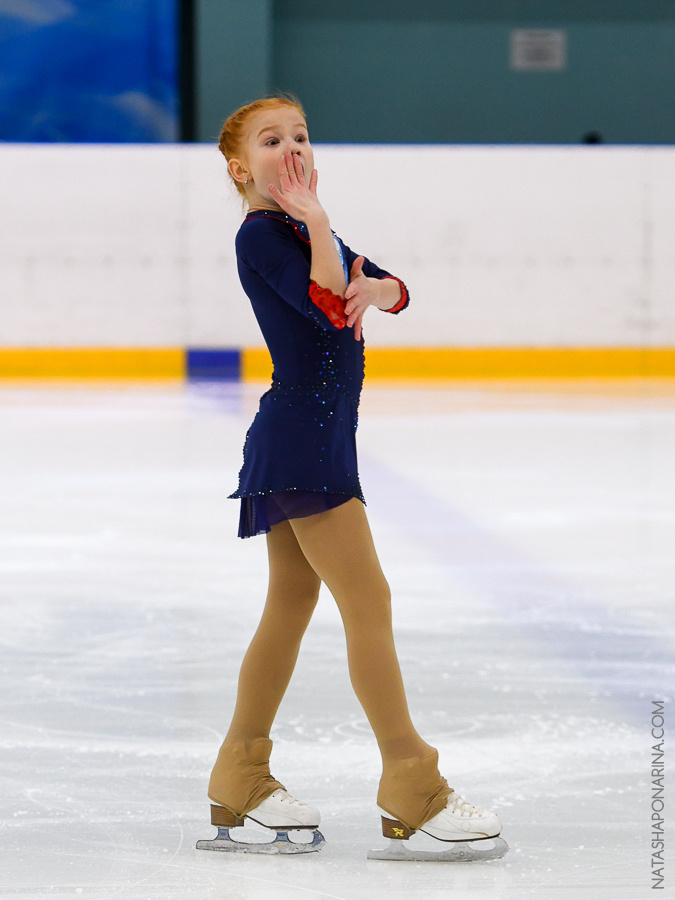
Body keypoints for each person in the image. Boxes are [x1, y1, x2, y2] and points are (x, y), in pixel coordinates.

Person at [198, 96, 506, 860]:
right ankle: (412, 781)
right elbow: (330, 304)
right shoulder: (263, 237)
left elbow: (382, 285)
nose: (292, 147)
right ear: (242, 169)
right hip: (301, 442)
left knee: (290, 606)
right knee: (367, 600)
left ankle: (240, 771)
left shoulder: (304, 229)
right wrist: (329, 241)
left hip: (315, 439)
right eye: (272, 140)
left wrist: (380, 287)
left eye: (300, 134)